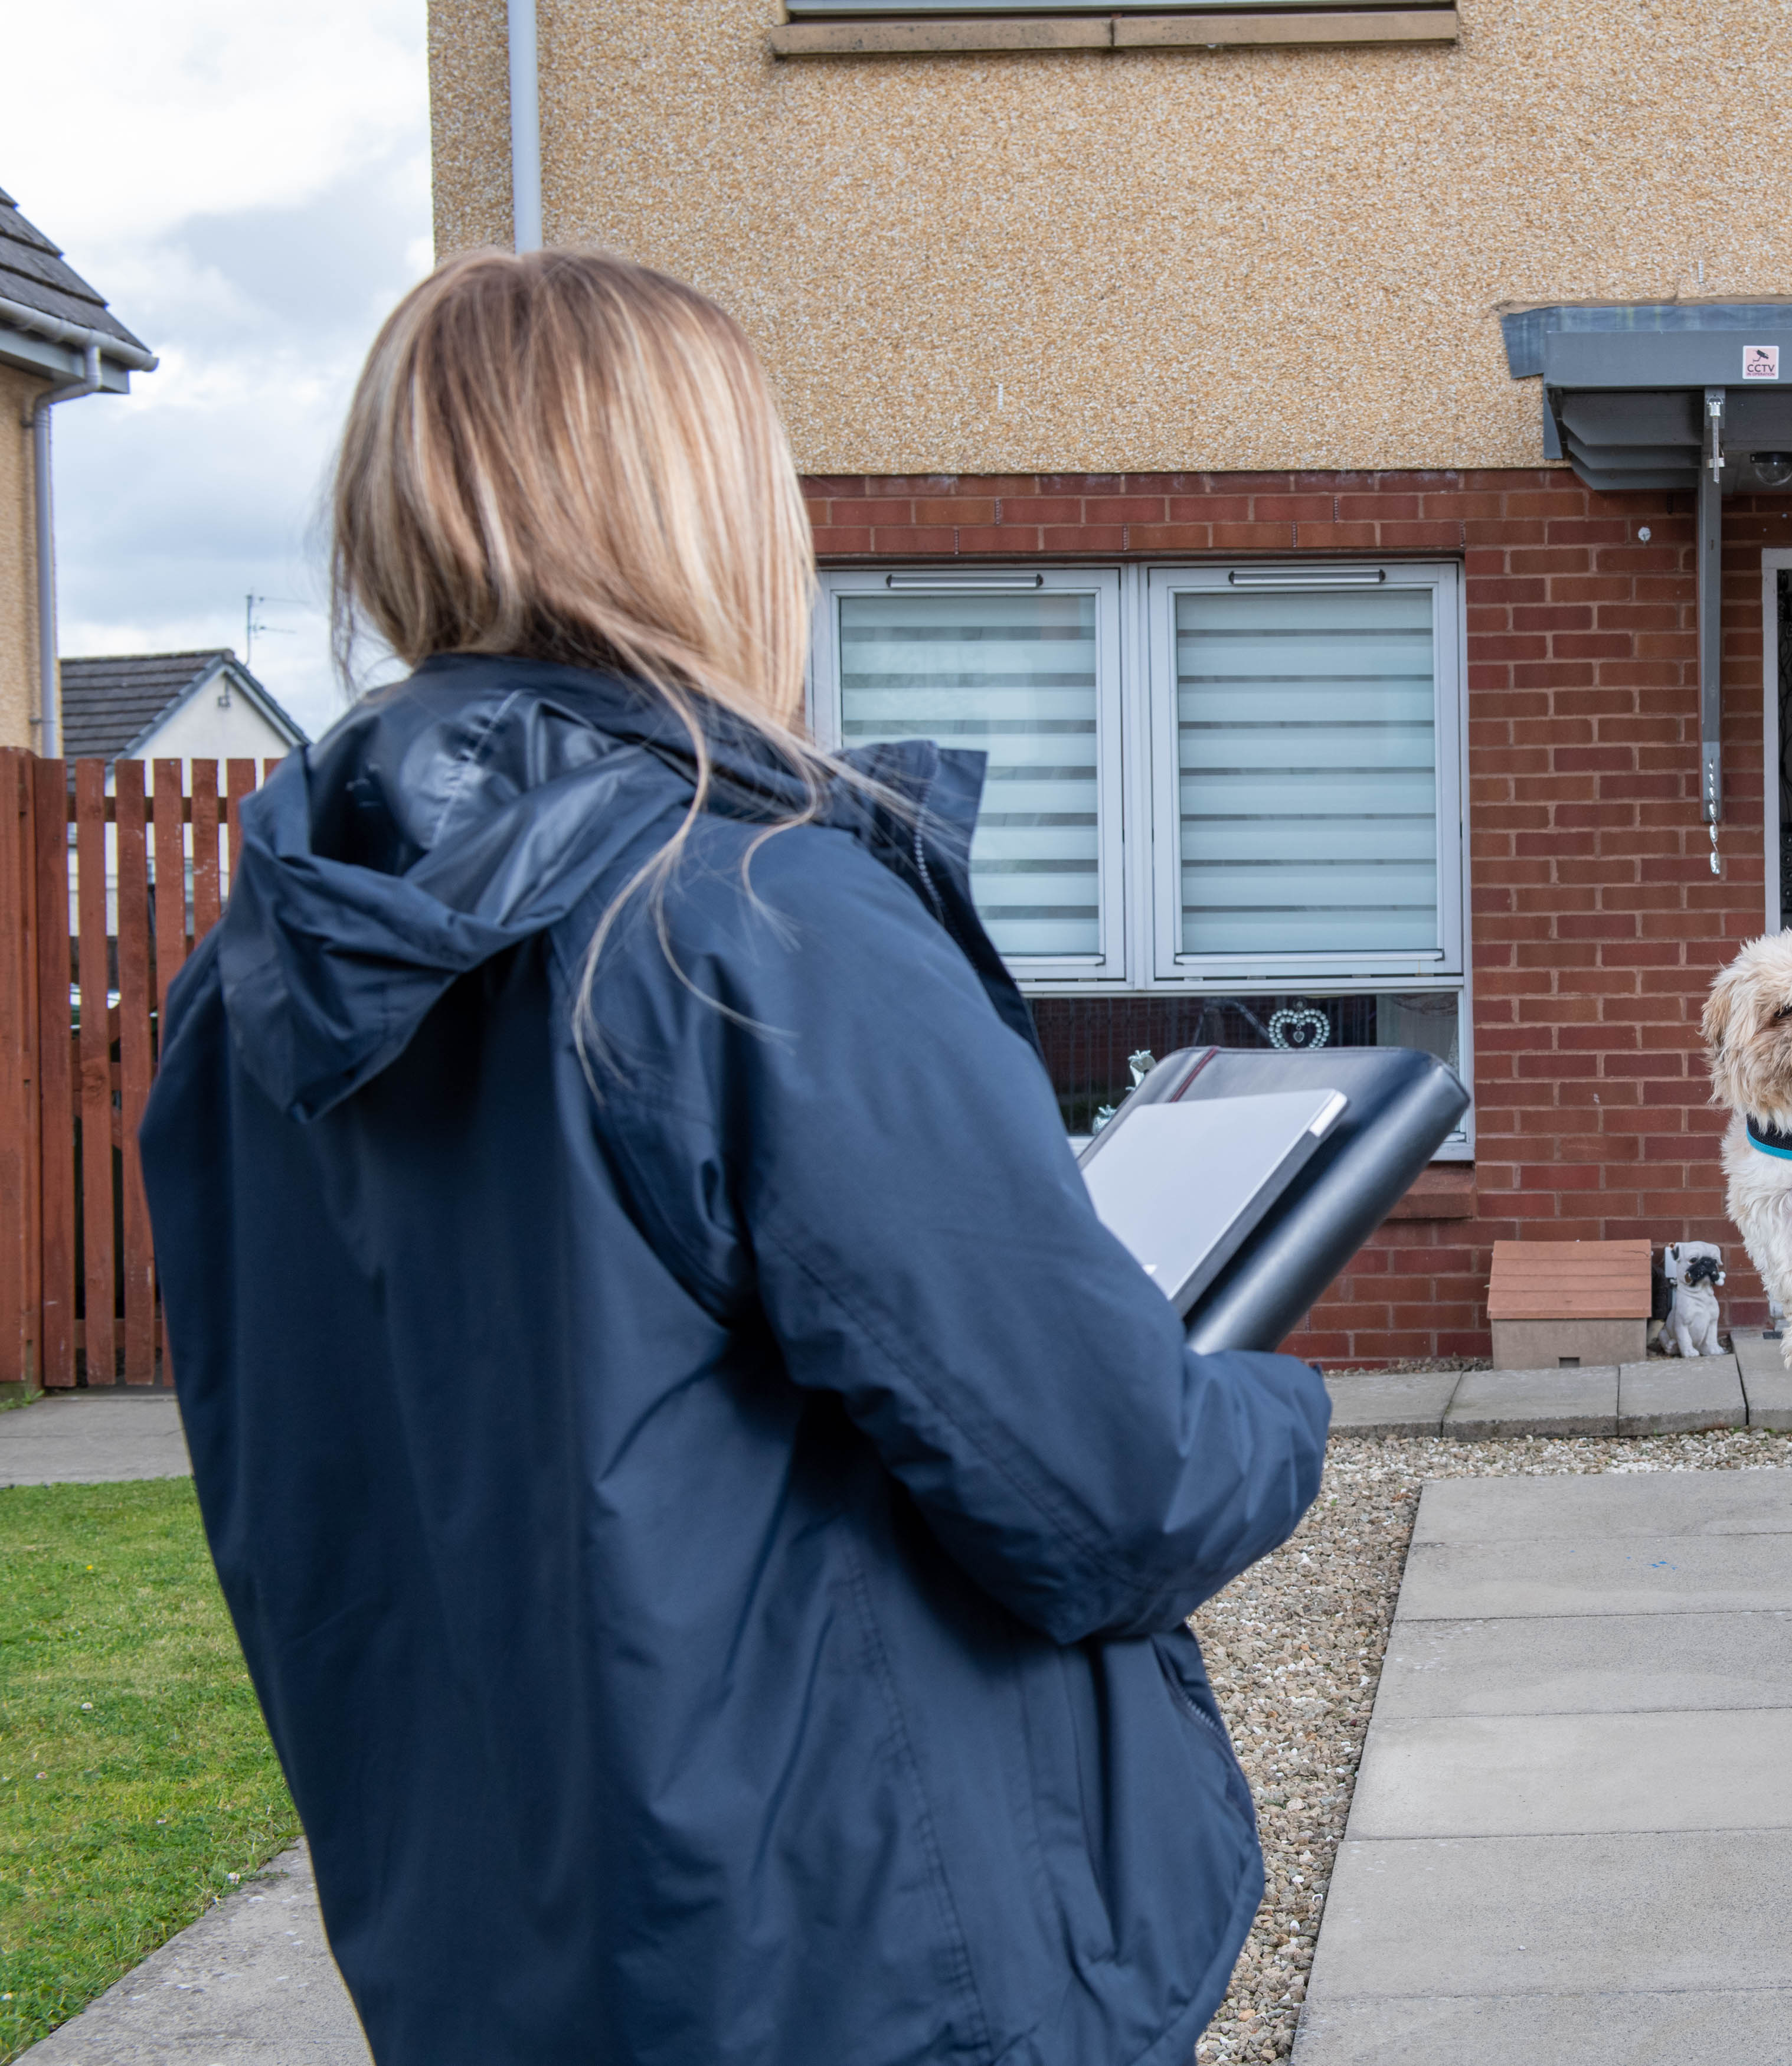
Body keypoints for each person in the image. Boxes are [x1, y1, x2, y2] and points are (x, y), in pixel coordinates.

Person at [137, 249, 1329, 2066]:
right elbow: (1115, 1489)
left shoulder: (246, 982)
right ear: (703, 509)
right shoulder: (754, 914)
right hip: (863, 1976)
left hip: (504, 1960)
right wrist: (1269, 1404)